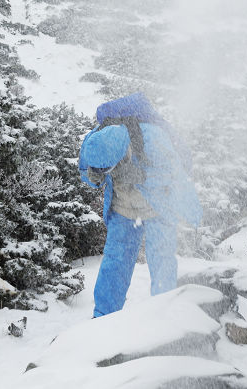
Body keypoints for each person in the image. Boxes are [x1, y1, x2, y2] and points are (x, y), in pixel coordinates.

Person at [78, 93, 202, 318]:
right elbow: (85, 170)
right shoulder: (94, 141)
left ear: (121, 152)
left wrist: (142, 176)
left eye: (109, 168)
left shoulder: (153, 139)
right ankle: (103, 317)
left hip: (158, 207)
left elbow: (173, 175)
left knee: (162, 260)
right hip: (123, 209)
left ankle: (165, 314)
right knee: (115, 262)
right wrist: (93, 176)